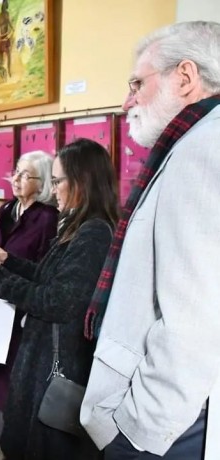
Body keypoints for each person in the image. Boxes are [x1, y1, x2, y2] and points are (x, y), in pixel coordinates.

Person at [81, 21, 220, 459]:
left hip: (169, 427)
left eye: (137, 83)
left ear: (185, 76)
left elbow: (196, 320)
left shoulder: (202, 149)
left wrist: (139, 431)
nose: (128, 101)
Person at [0, 138, 119, 459]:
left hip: (56, 363)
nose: (53, 191)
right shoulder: (79, 225)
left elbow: (57, 301)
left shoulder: (94, 232)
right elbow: (47, 275)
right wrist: (8, 260)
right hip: (41, 357)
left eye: (57, 182)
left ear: (81, 182)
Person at [0, 151, 58, 440]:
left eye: (25, 175)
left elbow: (44, 266)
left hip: (20, 301)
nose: (16, 179)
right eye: (15, 172)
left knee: (13, 369)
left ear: (41, 183)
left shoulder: (47, 218)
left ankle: (13, 431)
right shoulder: (7, 209)